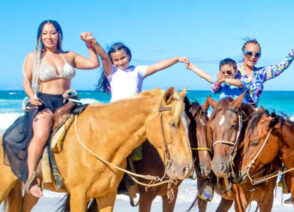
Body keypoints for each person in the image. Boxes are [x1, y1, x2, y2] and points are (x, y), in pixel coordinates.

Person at [2, 20, 101, 198]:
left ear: (59, 35)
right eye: (45, 33)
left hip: (68, 101)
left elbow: (94, 64)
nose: (49, 36)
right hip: (45, 102)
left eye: (53, 32)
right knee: (41, 134)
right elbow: (26, 80)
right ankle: (31, 178)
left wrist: (89, 45)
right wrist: (32, 96)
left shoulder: (69, 55)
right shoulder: (34, 57)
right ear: (40, 36)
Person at [95, 42, 189, 102]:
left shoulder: (138, 71)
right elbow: (103, 56)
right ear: (112, 61)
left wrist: (176, 59)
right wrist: (93, 42)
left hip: (135, 109)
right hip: (116, 109)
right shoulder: (112, 71)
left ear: (128, 55)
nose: (120, 62)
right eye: (116, 60)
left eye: (123, 58)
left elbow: (157, 67)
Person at [237, 35, 294, 106]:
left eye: (257, 54)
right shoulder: (234, 69)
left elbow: (282, 65)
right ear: (243, 54)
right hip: (233, 113)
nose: (253, 57)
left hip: (252, 114)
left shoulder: (261, 73)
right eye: (249, 53)